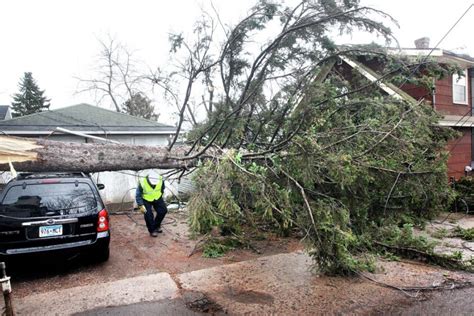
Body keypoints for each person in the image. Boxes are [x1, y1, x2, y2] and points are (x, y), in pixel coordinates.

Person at [135, 170, 168, 237]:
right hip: (145, 199)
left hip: (157, 197)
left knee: (163, 211)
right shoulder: (142, 181)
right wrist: (141, 205)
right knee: (148, 215)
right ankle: (152, 230)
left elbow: (162, 188)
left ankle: (156, 226)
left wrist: (160, 196)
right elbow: (138, 195)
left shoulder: (160, 179)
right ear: (149, 179)